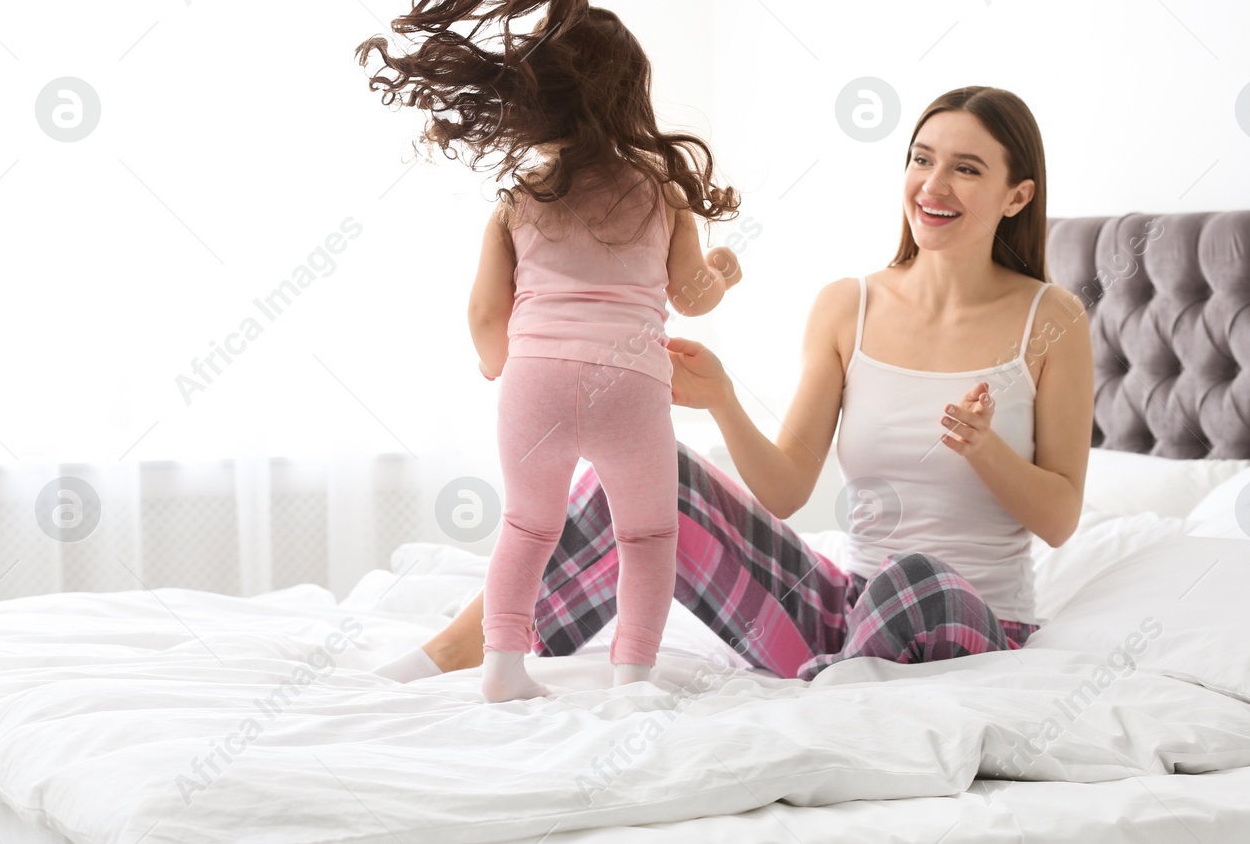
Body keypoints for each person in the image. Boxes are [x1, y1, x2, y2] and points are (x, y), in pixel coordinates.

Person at [376, 84, 1093, 685]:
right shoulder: (850, 305)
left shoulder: (1051, 319)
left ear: (1016, 194)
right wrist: (722, 398)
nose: (932, 186)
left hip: (974, 620)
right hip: (841, 614)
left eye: (966, 169)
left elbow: (1061, 518)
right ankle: (458, 651)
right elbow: (784, 489)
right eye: (921, 159)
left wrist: (984, 448)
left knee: (916, 580)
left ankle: (842, 685)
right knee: (665, 482)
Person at [355, 0, 744, 700]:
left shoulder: (519, 196)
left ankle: (502, 666)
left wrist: (499, 362)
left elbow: (482, 310)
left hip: (533, 380)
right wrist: (723, 272)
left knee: (528, 527)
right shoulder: (661, 190)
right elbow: (690, 295)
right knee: (647, 534)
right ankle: (632, 672)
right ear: (632, 97)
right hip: (629, 381)